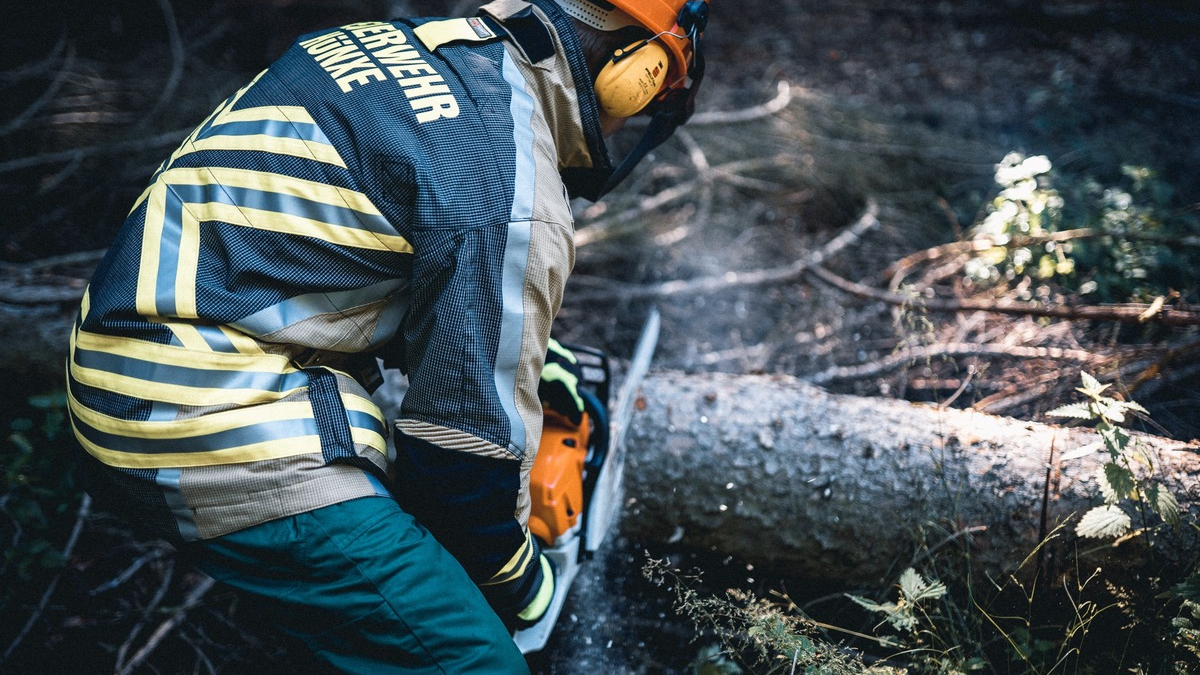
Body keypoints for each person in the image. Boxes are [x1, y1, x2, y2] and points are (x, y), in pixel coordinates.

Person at [65, 0, 709, 672]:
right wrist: (525, 582)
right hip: (206, 424)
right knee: (476, 661)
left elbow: (325, 248)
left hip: (117, 371)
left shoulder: (378, 48)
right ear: (633, 71)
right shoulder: (513, 194)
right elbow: (460, 465)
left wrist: (525, 359)